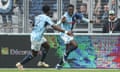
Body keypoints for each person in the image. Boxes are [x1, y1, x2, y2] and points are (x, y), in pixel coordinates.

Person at [16, 5, 73, 71]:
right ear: (48, 11)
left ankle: (41, 62)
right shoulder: (47, 18)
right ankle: (20, 64)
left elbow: (33, 24)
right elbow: (54, 27)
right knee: (34, 54)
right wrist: (65, 31)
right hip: (37, 38)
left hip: (37, 35)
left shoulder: (38, 16)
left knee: (47, 46)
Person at [55, 4, 93, 69]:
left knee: (67, 51)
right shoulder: (64, 16)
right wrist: (55, 24)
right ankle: (65, 54)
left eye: (72, 10)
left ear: (73, 10)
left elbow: (82, 18)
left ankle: (59, 65)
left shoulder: (75, 15)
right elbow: (57, 24)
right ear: (67, 10)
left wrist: (89, 21)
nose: (70, 11)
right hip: (64, 34)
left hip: (69, 34)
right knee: (75, 45)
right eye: (69, 10)